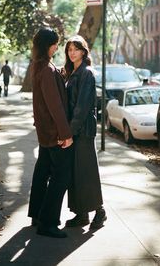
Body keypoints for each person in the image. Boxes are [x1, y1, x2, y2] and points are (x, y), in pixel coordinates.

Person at [27, 28, 73, 239]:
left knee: (41, 172)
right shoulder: (46, 69)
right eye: (55, 43)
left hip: (44, 132)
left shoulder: (39, 66)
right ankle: (47, 222)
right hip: (54, 133)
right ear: (48, 45)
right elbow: (55, 105)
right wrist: (66, 133)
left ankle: (37, 214)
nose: (57, 46)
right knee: (61, 176)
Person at [63, 35, 107, 229]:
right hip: (75, 130)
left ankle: (100, 211)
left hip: (83, 132)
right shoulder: (73, 72)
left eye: (76, 49)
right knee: (75, 173)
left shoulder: (86, 73)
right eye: (69, 49)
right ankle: (82, 214)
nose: (72, 52)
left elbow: (81, 107)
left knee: (87, 172)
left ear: (83, 51)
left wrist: (70, 132)